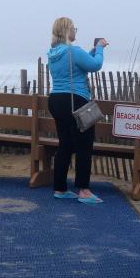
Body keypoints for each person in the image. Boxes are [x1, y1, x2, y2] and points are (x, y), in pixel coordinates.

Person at [46, 17, 108, 204]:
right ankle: (84, 190)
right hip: (76, 100)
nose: (75, 32)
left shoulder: (53, 53)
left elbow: (77, 65)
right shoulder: (73, 51)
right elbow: (95, 65)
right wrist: (100, 48)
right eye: (74, 28)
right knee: (84, 146)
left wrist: (92, 52)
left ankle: (60, 188)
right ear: (66, 31)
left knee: (65, 144)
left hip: (56, 100)